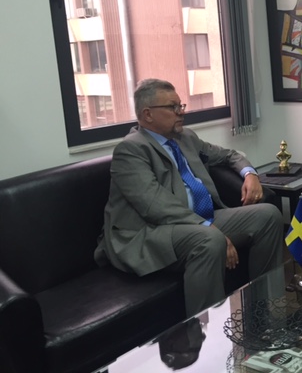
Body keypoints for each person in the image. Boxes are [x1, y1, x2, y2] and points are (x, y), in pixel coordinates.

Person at [94, 79, 283, 317]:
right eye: (172, 107)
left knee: (268, 216)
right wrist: (207, 226)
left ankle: (266, 314)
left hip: (198, 221)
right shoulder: (131, 150)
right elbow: (154, 205)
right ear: (148, 114)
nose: (181, 112)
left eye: (181, 105)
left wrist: (250, 174)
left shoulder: (185, 137)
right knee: (209, 240)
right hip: (150, 232)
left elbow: (228, 155)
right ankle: (206, 331)